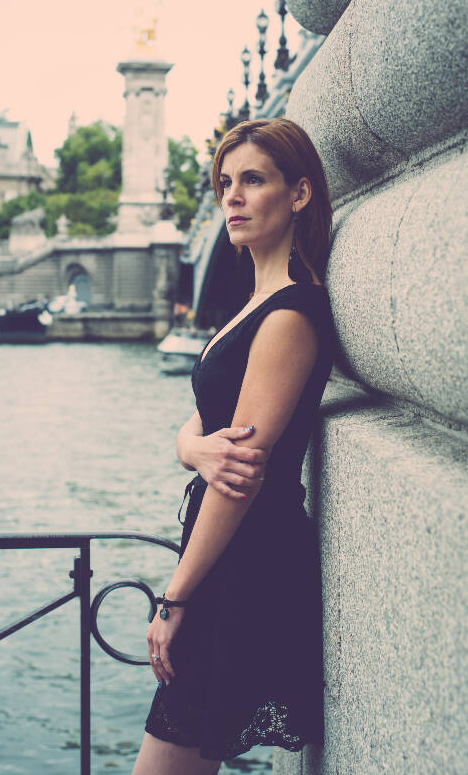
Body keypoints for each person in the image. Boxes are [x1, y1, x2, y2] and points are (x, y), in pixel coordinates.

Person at [132, 118, 334, 775]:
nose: (232, 197)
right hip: (222, 557)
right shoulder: (254, 304)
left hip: (241, 565)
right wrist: (195, 450)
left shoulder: (290, 314)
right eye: (224, 183)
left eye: (253, 179)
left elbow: (239, 478)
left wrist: (175, 597)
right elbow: (194, 428)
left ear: (299, 193)